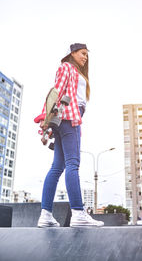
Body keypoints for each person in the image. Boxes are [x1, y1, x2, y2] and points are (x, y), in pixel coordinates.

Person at [35, 43, 104, 228]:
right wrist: (46, 120)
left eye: (86, 55)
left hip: (67, 119)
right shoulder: (66, 67)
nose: (85, 57)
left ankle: (46, 215)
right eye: (82, 53)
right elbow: (56, 93)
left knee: (57, 167)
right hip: (69, 118)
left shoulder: (78, 73)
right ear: (72, 53)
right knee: (73, 164)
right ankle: (78, 212)